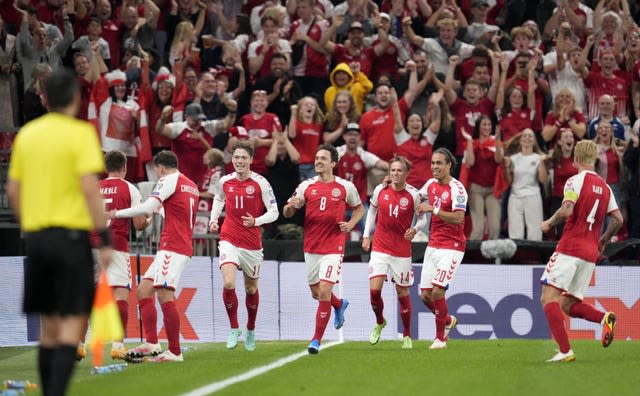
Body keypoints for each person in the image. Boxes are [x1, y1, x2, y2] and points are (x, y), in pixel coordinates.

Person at [7, 68, 112, 396]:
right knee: (68, 326)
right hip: (71, 239)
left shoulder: (27, 134)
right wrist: (105, 239)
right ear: (77, 99)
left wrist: (32, 224)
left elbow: (12, 190)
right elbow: (90, 189)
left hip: (37, 240)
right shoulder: (81, 134)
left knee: (49, 330)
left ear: (45, 98)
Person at [110, 150, 199, 362]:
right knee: (144, 290)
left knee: (164, 294)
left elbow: (150, 205)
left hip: (174, 246)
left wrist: (117, 213)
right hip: (176, 244)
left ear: (159, 168)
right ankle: (151, 342)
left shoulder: (168, 179)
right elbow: (169, 210)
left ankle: (175, 352)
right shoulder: (190, 184)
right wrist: (154, 213)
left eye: (157, 172)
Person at [539, 140, 623, 362]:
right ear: (594, 159)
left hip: (570, 247)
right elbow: (618, 219)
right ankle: (604, 318)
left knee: (549, 298)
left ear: (575, 159)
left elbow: (567, 209)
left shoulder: (575, 181)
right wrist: (603, 240)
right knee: (568, 304)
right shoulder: (605, 187)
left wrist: (549, 222)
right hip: (590, 253)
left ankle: (565, 351)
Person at [283, 144, 364, 354]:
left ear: (333, 163)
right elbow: (287, 213)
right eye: (317, 158)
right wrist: (292, 206)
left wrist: (351, 224)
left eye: (323, 158)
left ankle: (316, 340)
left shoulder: (345, 187)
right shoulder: (306, 186)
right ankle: (339, 304)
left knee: (325, 290)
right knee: (317, 293)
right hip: (311, 246)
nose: (318, 161)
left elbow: (359, 209)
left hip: (333, 246)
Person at [208, 141, 279, 351]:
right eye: (236, 157)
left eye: (243, 158)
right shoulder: (224, 181)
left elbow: (274, 212)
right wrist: (214, 219)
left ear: (250, 160)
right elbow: (218, 199)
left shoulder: (261, 183)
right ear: (232, 159)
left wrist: (256, 221)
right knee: (229, 283)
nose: (239, 161)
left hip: (251, 244)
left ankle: (250, 328)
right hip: (229, 237)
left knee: (251, 288)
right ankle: (233, 328)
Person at [89, 150, 150, 360]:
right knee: (120, 295)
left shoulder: (94, 188)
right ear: (124, 168)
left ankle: (78, 344)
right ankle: (117, 345)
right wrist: (148, 221)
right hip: (116, 246)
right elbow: (139, 224)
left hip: (91, 246)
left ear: (105, 169)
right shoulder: (130, 189)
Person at [362, 156, 424, 349]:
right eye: (393, 170)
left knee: (402, 293)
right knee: (374, 291)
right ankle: (380, 321)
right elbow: (372, 212)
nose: (395, 174)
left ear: (406, 173)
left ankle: (406, 335)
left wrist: (415, 228)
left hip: (401, 252)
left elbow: (422, 219)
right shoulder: (381, 190)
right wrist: (366, 235)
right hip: (380, 247)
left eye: (399, 170)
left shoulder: (413, 195)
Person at [416, 147, 468, 350]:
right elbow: (416, 198)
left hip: (452, 246)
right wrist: (395, 186)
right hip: (433, 244)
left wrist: (433, 209)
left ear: (449, 165)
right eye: (432, 163)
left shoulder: (457, 189)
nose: (434, 167)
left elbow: (458, 218)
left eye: (439, 163)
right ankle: (448, 320)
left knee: (438, 292)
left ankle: (440, 339)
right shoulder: (430, 184)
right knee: (425, 296)